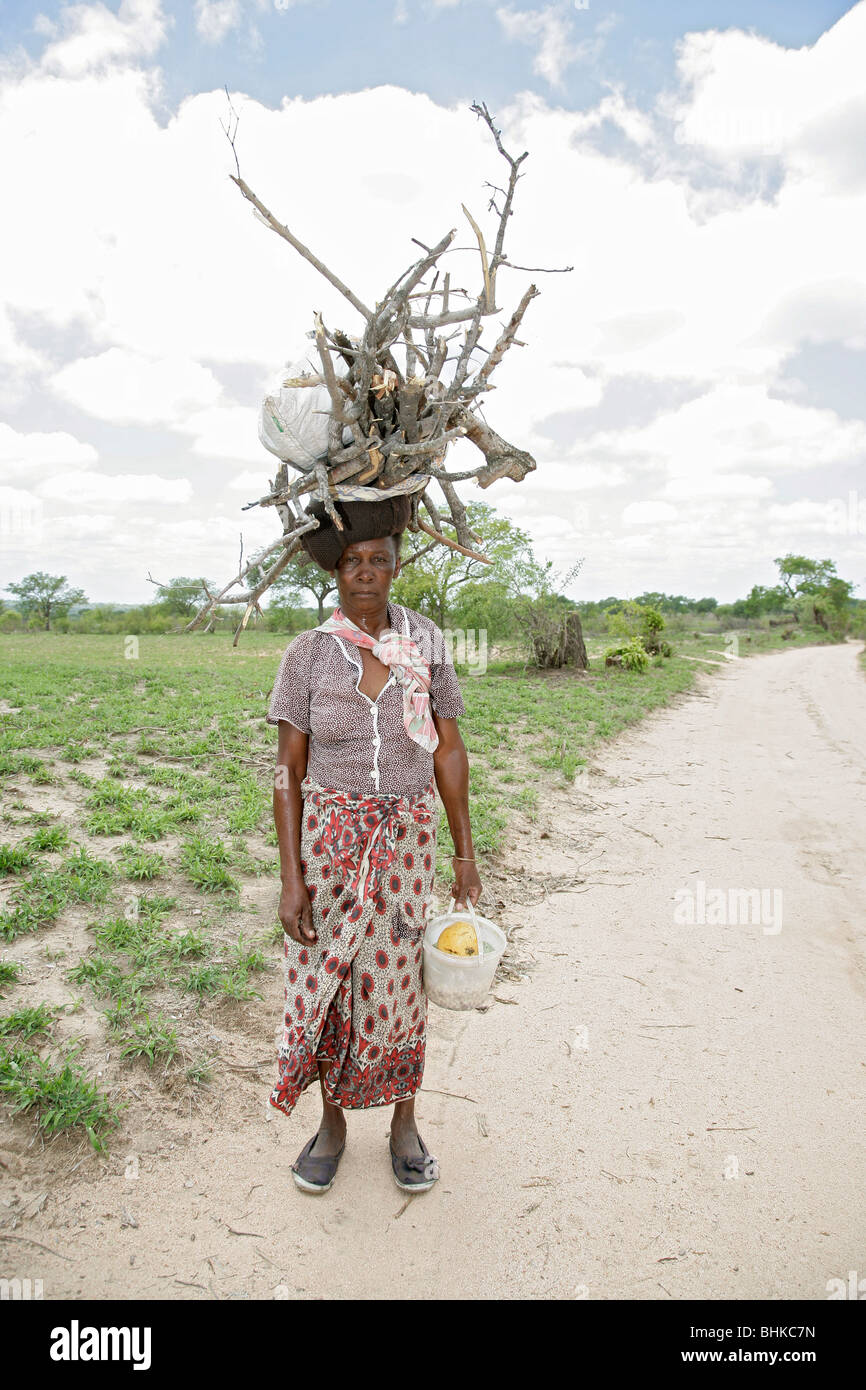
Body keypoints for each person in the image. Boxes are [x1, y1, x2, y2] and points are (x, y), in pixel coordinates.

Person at [266, 493, 482, 1195]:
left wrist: (464, 851)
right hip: (330, 842)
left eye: (378, 562)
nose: (365, 573)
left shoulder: (427, 642)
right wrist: (291, 876)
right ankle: (331, 1125)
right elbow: (286, 771)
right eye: (352, 562)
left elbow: (449, 748)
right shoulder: (308, 655)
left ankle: (404, 1122)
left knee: (400, 982)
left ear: (395, 569)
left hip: (408, 838)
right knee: (329, 980)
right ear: (336, 573)